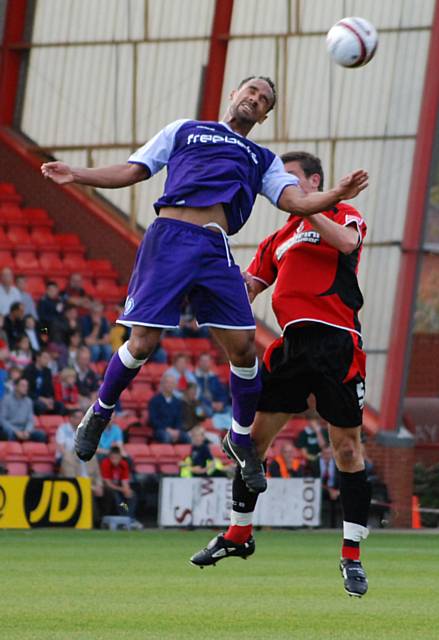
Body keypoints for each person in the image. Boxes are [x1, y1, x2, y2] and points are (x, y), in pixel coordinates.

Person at [41, 76, 367, 490]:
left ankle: (242, 440)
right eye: (250, 90)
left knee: (246, 348)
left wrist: (335, 192)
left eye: (264, 99)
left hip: (215, 247)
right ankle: (100, 412)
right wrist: (77, 173)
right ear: (233, 94)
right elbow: (132, 169)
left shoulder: (262, 158)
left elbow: (297, 203)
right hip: (170, 239)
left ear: (265, 116)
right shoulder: (185, 130)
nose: (255, 98)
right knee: (142, 342)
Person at [191, 151, 370, 598]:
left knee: (347, 449)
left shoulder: (342, 213)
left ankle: (351, 556)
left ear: (314, 182)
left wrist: (311, 212)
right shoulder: (276, 240)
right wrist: (208, 287)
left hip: (337, 342)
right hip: (290, 345)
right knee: (249, 442)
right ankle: (238, 535)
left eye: (291, 180)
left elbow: (348, 245)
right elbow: (249, 288)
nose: (284, 190)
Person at [100, 445, 142, 529]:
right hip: (108, 488)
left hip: (119, 487)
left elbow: (124, 481)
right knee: (118, 499)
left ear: (120, 457)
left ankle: (129, 518)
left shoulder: (124, 464)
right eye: (112, 458)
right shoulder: (105, 463)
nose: (114, 461)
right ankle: (126, 519)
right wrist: (122, 489)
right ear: (110, 457)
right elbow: (107, 483)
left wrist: (127, 490)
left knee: (132, 495)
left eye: (116, 458)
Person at [148, 373, 190, 444]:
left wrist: (177, 431)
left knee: (187, 438)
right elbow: (153, 420)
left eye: (172, 383)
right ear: (162, 384)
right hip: (160, 430)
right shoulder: (154, 401)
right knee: (166, 437)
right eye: (168, 382)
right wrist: (167, 429)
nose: (170, 385)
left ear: (175, 385)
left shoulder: (177, 402)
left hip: (175, 431)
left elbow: (180, 419)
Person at [0, 377, 46, 442]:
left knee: (41, 435)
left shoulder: (29, 401)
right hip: (11, 430)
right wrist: (16, 431)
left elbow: (30, 420)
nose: (26, 388)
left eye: (27, 386)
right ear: (16, 387)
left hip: (24, 430)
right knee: (7, 434)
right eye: (23, 386)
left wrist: (27, 431)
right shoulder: (6, 399)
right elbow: (2, 420)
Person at [23, 350, 64, 415]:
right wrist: (41, 399)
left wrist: (50, 399)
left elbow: (50, 389)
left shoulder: (48, 372)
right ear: (38, 358)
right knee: (40, 406)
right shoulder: (28, 370)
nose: (47, 360)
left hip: (45, 399)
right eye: (45, 358)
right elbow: (27, 390)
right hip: (32, 398)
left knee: (60, 406)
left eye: (48, 358)